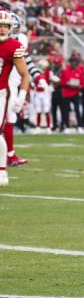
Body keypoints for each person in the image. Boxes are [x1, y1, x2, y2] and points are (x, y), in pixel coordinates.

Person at [0, 11, 30, 186]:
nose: (2, 29)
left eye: (5, 26)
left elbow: (25, 74)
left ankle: (2, 172)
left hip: (1, 93)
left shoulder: (13, 46)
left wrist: (21, 96)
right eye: (0, 26)